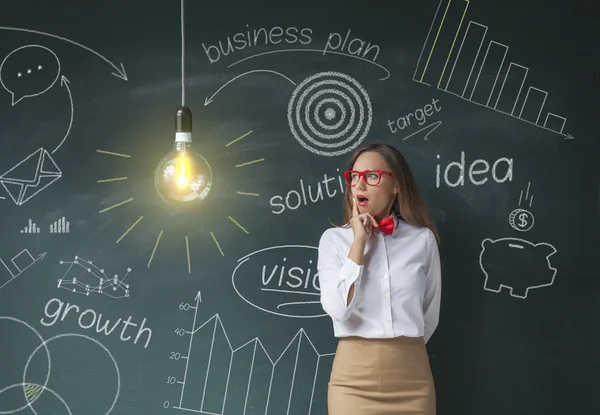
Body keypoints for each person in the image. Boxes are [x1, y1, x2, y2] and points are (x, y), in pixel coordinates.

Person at [317, 142, 442, 415]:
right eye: (354, 177)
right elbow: (338, 309)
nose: (360, 185)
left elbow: (430, 313)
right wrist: (358, 243)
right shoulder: (333, 241)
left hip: (413, 380)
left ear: (396, 184)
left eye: (372, 176)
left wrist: (404, 350)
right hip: (352, 382)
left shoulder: (422, 240)